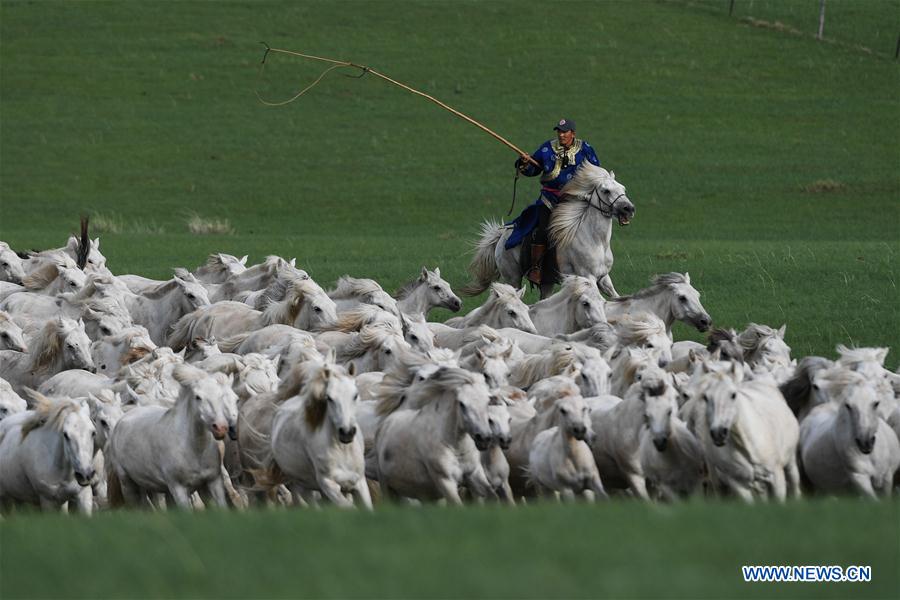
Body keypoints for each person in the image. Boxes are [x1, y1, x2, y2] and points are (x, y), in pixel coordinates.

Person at [515, 118, 601, 285]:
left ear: (573, 133)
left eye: (565, 132)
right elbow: (533, 169)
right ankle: (536, 268)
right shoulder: (547, 148)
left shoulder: (585, 149)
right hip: (550, 199)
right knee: (543, 231)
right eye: (559, 132)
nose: (561, 135)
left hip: (575, 201)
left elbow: (596, 172)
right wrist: (525, 163)